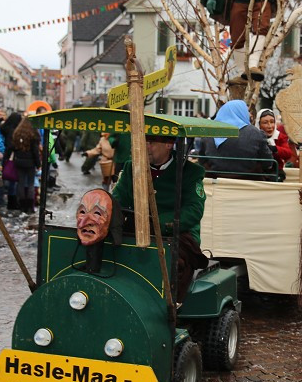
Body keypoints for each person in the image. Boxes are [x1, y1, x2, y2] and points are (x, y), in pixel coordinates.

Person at [112, 133, 207, 300]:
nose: (145, 147)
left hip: (176, 234)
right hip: (135, 231)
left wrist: (155, 223)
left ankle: (170, 309)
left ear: (169, 145)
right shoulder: (131, 168)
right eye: (143, 142)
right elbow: (117, 200)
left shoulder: (191, 172)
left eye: (151, 142)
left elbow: (194, 210)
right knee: (108, 252)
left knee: (173, 264)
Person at [195, 100, 273, 178]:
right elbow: (268, 163)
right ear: (240, 112)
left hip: (216, 184)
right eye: (247, 111)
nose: (250, 114)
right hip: (249, 184)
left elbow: (202, 161)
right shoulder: (256, 133)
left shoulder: (208, 133)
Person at [12, 116, 41, 214]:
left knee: (21, 183)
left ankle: (22, 205)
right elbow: (35, 151)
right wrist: (38, 164)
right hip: (30, 162)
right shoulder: (33, 134)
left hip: (19, 161)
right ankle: (29, 207)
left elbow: (13, 148)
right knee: (31, 184)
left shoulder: (17, 133)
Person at [256, 108, 293, 177]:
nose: (270, 126)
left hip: (276, 173)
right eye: (265, 123)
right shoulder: (254, 136)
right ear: (259, 124)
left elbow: (288, 154)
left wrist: (275, 148)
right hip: (258, 173)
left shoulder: (279, 137)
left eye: (272, 122)